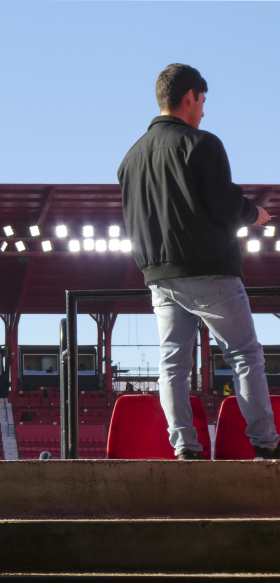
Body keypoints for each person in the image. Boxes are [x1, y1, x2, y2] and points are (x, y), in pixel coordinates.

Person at [117, 64, 279, 460]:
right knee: (244, 354)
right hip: (209, 270)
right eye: (203, 101)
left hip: (160, 275)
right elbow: (224, 205)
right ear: (189, 96)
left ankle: (185, 448)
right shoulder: (202, 144)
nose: (204, 111)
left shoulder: (130, 158)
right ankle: (266, 445)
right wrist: (253, 214)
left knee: (173, 364)